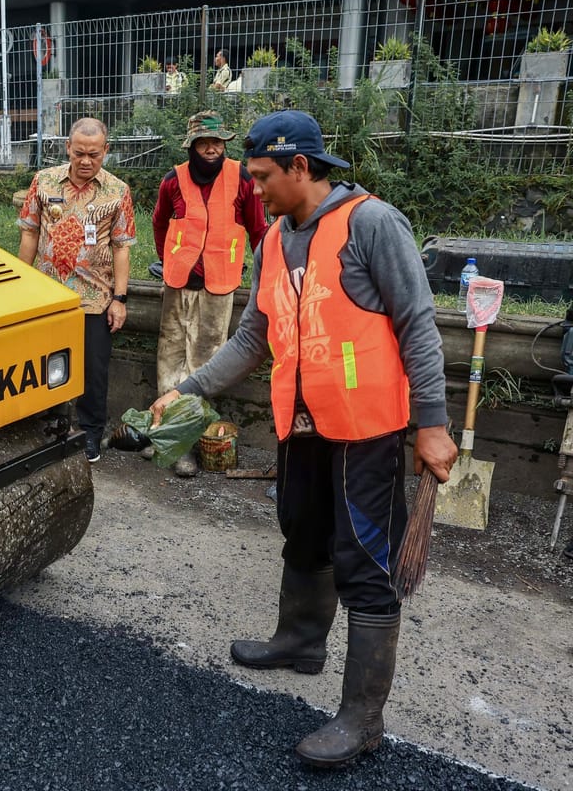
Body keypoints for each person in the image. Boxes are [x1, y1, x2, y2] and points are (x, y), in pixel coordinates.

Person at [148, 110, 458, 768]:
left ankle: (360, 720)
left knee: (366, 565)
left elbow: (420, 327)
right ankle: (300, 640)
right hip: (304, 425)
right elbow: (253, 338)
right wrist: (192, 387)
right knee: (303, 532)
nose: (252, 188)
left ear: (299, 167)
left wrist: (432, 424)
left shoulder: (372, 224)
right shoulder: (275, 242)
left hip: (367, 429)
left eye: (261, 176)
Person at [151, 110, 267, 476]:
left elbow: (258, 228)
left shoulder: (242, 177)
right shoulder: (174, 180)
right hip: (180, 282)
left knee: (205, 360)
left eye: (218, 142)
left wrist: (267, 274)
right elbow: (159, 223)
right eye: (205, 142)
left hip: (221, 282)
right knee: (169, 355)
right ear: (192, 146)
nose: (213, 149)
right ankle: (165, 434)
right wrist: (169, 261)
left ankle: (190, 440)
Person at [18, 117, 136, 463]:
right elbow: (29, 233)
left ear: (106, 151)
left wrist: (120, 298)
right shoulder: (43, 181)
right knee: (43, 366)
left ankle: (89, 435)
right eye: (80, 153)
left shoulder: (117, 192)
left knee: (92, 371)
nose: (86, 161)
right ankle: (47, 429)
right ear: (68, 148)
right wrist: (19, 282)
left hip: (95, 297)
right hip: (46, 296)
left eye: (94, 155)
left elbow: (122, 247)